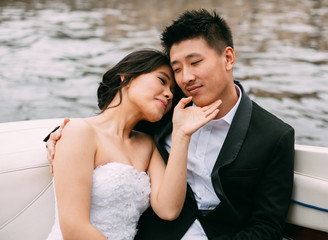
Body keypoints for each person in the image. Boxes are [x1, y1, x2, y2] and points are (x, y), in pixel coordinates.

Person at [47, 9, 295, 240]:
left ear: (228, 58)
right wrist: (56, 136)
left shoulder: (274, 135)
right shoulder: (164, 110)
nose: (185, 78)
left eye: (195, 63)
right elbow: (110, 126)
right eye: (177, 69)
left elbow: (267, 225)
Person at [44, 49, 222, 240]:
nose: (169, 94)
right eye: (162, 81)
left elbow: (168, 209)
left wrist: (182, 134)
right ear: (127, 77)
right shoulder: (79, 132)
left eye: (172, 91)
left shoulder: (147, 145)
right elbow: (74, 227)